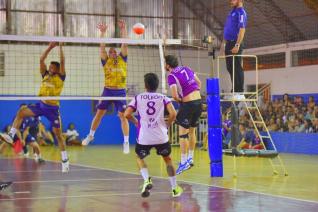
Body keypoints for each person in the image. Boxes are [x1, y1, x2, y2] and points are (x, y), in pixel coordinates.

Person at [0, 42, 69, 172]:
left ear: (58, 69)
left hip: (52, 109)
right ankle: (11, 134)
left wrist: (60, 46)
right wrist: (50, 47)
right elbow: (41, 59)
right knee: (21, 112)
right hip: (41, 105)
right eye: (50, 66)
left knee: (58, 135)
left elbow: (63, 61)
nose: (50, 68)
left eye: (52, 67)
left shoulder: (61, 77)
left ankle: (65, 159)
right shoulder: (45, 75)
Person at [124, 73, 183, 198]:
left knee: (139, 158)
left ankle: (147, 180)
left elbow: (127, 114)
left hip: (144, 137)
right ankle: (174, 189)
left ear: (145, 85)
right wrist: (167, 124)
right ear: (157, 85)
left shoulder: (138, 97)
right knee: (168, 160)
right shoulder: (163, 98)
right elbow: (173, 114)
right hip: (161, 136)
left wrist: (136, 123)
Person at [82, 20, 130, 154]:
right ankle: (90, 135)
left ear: (118, 53)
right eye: (111, 52)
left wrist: (123, 29)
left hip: (120, 91)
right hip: (108, 90)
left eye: (114, 51)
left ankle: (125, 142)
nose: (113, 52)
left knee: (123, 116)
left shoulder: (123, 59)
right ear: (109, 55)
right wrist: (102, 33)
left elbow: (124, 43)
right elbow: (102, 47)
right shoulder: (106, 61)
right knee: (99, 114)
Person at [165, 55, 202, 175]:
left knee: (182, 135)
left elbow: (175, 95)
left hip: (188, 104)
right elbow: (199, 83)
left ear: (168, 65)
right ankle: (190, 158)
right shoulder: (187, 68)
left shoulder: (171, 76)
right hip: (198, 101)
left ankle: (183, 162)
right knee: (192, 132)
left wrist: (182, 100)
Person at [220, 0, 247, 99]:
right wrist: (223, 44)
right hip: (228, 43)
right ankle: (234, 90)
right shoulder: (231, 12)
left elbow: (242, 29)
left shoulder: (241, 13)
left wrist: (237, 45)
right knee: (230, 67)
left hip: (235, 43)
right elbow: (227, 28)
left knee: (237, 67)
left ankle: (240, 92)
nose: (230, 1)